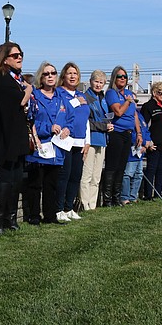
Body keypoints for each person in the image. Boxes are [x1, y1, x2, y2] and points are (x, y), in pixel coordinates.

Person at [0, 42, 32, 233]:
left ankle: (10, 218)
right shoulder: (1, 78)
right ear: (4, 59)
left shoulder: (16, 78)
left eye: (21, 54)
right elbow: (20, 99)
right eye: (15, 55)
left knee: (16, 177)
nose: (19, 57)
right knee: (5, 178)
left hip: (17, 134)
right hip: (5, 136)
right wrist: (29, 90)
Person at [25, 62, 65, 225]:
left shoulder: (60, 97)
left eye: (53, 73)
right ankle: (34, 215)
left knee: (51, 184)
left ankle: (50, 215)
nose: (50, 76)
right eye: (46, 73)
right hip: (39, 146)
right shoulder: (35, 96)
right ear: (40, 77)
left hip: (56, 147)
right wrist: (48, 128)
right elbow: (30, 120)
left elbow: (69, 117)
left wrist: (67, 128)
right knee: (35, 184)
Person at [102, 65, 142, 206]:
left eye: (125, 76)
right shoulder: (112, 93)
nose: (123, 79)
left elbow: (134, 114)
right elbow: (118, 112)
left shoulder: (128, 94)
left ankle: (117, 197)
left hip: (128, 133)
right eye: (120, 76)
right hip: (116, 133)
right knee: (112, 167)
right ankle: (107, 199)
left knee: (121, 167)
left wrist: (139, 133)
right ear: (114, 78)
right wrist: (127, 101)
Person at [55, 62, 90, 219]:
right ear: (63, 76)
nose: (72, 76)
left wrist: (87, 141)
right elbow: (62, 110)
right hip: (65, 140)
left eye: (75, 73)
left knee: (76, 175)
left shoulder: (81, 95)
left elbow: (85, 120)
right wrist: (76, 103)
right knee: (64, 175)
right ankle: (59, 208)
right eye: (69, 73)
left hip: (80, 141)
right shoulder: (59, 93)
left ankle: (69, 207)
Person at [80, 70, 112, 210]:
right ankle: (84, 203)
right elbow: (86, 122)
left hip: (102, 140)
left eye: (101, 82)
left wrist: (108, 127)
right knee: (86, 174)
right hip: (90, 140)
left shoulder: (103, 98)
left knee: (96, 176)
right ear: (90, 81)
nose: (98, 85)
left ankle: (92, 204)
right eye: (96, 81)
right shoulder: (86, 97)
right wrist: (104, 126)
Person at [141, 81, 162, 200]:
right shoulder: (148, 106)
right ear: (154, 93)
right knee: (152, 168)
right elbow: (144, 125)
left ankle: (158, 193)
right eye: (161, 93)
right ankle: (148, 194)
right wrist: (148, 141)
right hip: (154, 143)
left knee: (161, 169)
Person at [122, 109, 152, 203]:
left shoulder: (139, 115)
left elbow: (145, 129)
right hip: (132, 149)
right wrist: (138, 142)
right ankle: (125, 197)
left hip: (140, 152)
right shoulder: (127, 114)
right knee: (128, 174)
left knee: (139, 174)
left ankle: (133, 196)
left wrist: (147, 141)